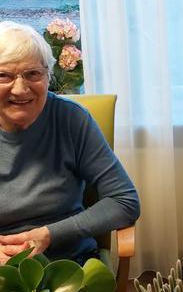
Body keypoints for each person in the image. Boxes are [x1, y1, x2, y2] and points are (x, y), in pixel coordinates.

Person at [0, 21, 140, 265]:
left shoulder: (71, 119)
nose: (20, 89)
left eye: (33, 73)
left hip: (68, 264)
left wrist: (50, 235)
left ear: (48, 76)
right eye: (4, 76)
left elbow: (124, 201)